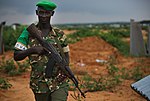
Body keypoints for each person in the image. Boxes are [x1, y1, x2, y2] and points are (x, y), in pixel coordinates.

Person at [14, 0, 70, 101]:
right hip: (39, 84)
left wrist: (65, 71)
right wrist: (33, 49)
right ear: (36, 13)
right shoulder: (27, 33)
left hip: (59, 82)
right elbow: (16, 55)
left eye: (47, 13)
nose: (44, 16)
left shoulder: (59, 34)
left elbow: (66, 56)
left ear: (52, 14)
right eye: (41, 12)